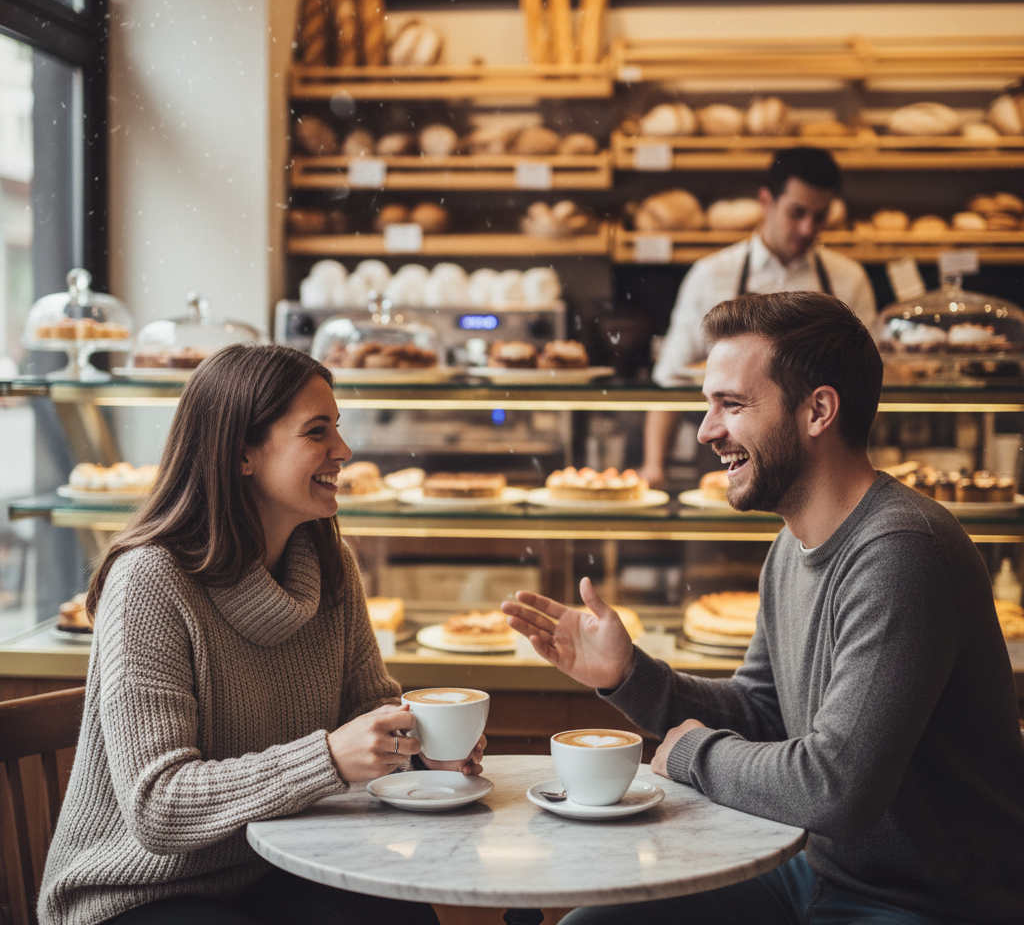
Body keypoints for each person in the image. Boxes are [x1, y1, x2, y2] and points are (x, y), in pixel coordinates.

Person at [504, 292, 1024, 925]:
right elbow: (761, 713)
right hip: (816, 872)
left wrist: (694, 755)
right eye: (707, 405)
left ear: (818, 411)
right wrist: (627, 675)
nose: (705, 430)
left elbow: (835, 787)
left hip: (923, 904)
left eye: (732, 405)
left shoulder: (903, 552)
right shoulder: (792, 544)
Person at [40, 343, 485, 925]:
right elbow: (158, 806)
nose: (343, 451)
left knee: (402, 918)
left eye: (339, 429)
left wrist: (422, 754)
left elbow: (367, 708)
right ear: (242, 453)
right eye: (317, 432)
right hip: (135, 891)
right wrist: (327, 758)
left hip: (279, 864)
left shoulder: (331, 566)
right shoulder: (149, 581)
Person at [640, 146, 877, 489]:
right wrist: (653, 466)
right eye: (797, 212)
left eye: (820, 216)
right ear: (766, 201)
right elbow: (670, 379)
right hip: (725, 463)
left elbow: (865, 386)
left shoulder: (849, 279)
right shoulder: (710, 275)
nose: (808, 228)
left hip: (824, 474)